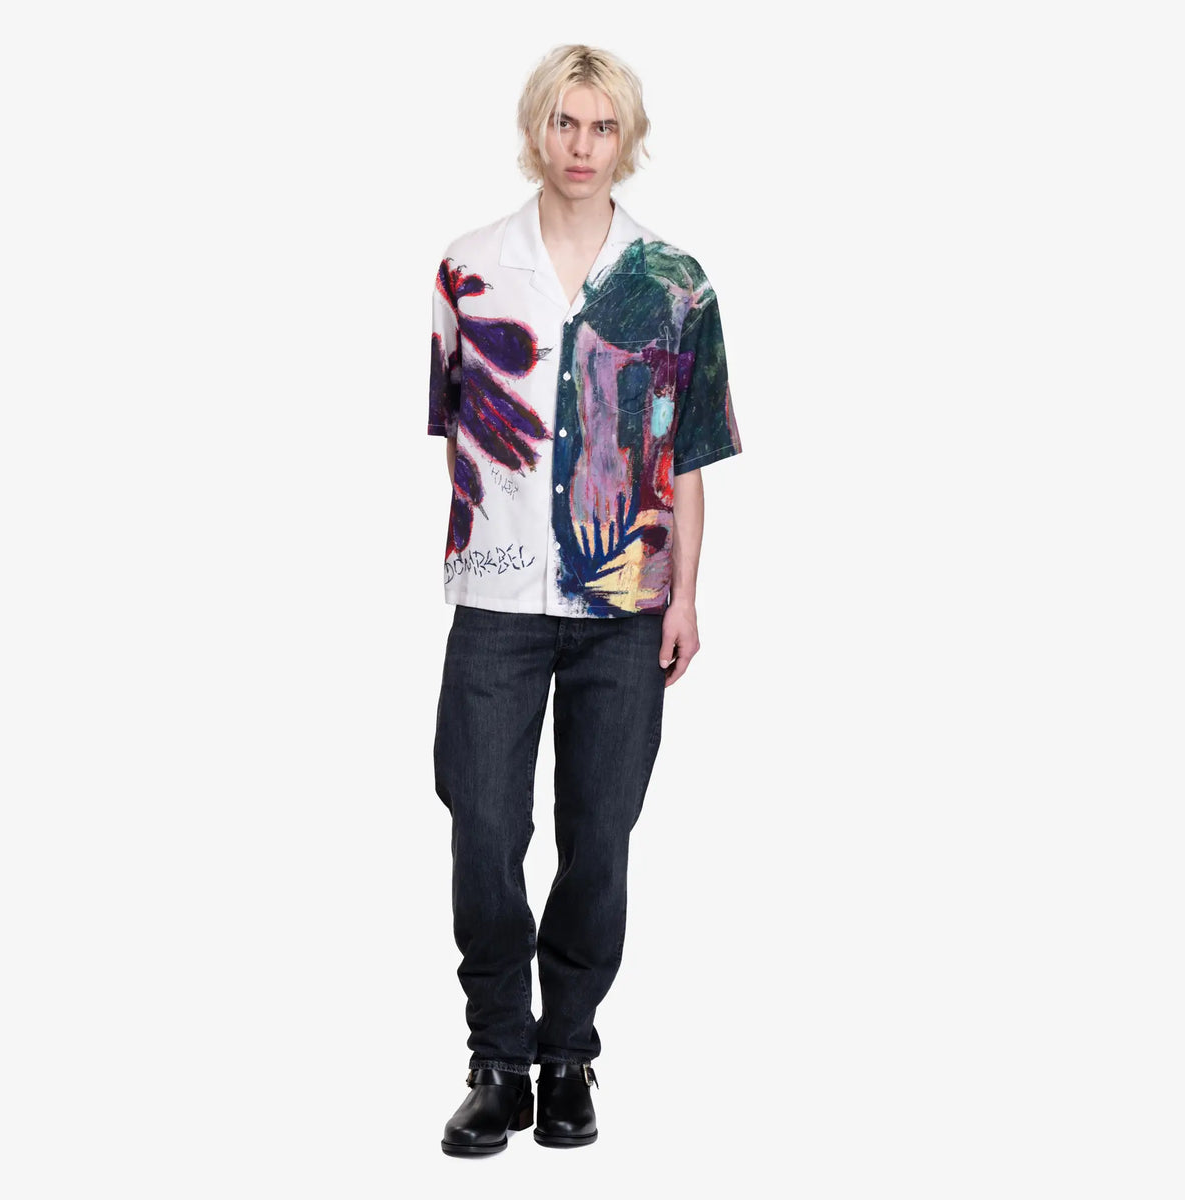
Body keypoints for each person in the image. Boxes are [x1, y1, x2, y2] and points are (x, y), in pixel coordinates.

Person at [428, 43, 743, 1157]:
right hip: (497, 604)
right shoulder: (468, 268)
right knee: (483, 825)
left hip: (625, 608)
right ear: (538, 128)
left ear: (626, 139)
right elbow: (457, 433)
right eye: (564, 122)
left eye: (602, 126)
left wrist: (683, 597)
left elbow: (687, 458)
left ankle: (567, 1056)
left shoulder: (676, 283)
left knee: (599, 835)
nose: (581, 145)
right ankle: (496, 1059)